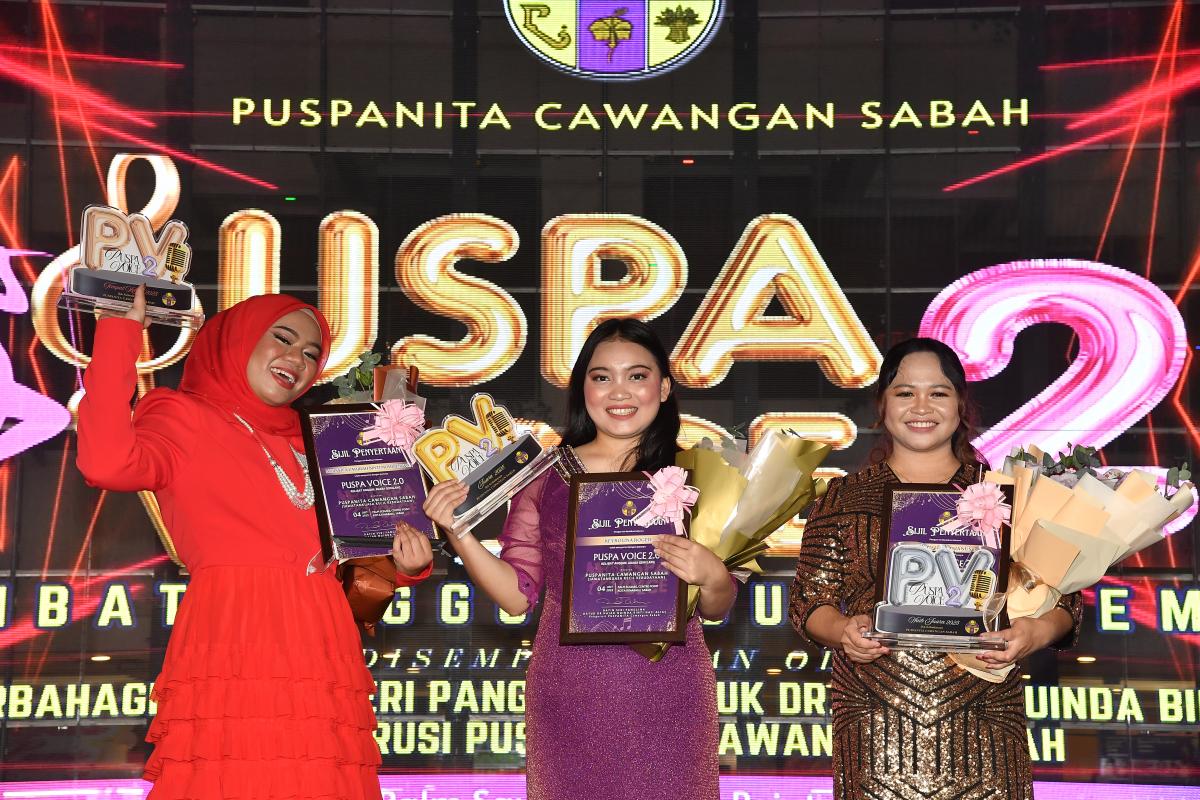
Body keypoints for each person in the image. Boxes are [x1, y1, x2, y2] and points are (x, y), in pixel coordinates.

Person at [77, 286, 433, 799]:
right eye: (282, 339)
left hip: (324, 643)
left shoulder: (326, 439)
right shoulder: (182, 415)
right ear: (237, 340)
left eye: (311, 353)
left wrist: (405, 564)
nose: (297, 359)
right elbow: (106, 463)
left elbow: (358, 553)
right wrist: (119, 334)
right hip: (236, 632)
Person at [423, 318, 734, 800]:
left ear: (663, 387)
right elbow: (516, 597)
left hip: (670, 689)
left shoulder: (699, 474)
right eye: (601, 376)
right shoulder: (544, 474)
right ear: (582, 389)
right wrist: (459, 533)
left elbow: (716, 607)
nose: (619, 391)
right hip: (568, 690)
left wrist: (712, 576)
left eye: (637, 375)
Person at [789, 337, 1081, 800]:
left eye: (938, 393)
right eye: (905, 392)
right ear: (882, 404)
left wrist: (1035, 632)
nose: (921, 406)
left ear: (960, 404)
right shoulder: (842, 499)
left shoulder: (1005, 494)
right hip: (875, 720)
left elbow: (1065, 599)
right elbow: (808, 604)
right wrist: (843, 630)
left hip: (985, 717)